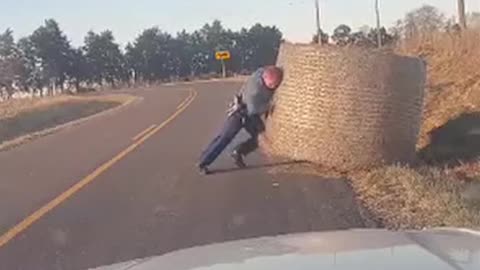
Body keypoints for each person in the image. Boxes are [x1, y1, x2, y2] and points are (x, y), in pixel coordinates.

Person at [198, 66, 284, 174]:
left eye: (276, 85)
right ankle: (203, 162)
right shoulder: (255, 91)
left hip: (250, 111)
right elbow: (254, 110)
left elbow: (267, 70)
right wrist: (269, 106)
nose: (273, 87)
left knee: (261, 138)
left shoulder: (260, 72)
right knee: (224, 137)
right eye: (271, 85)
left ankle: (238, 151)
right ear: (265, 78)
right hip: (241, 113)